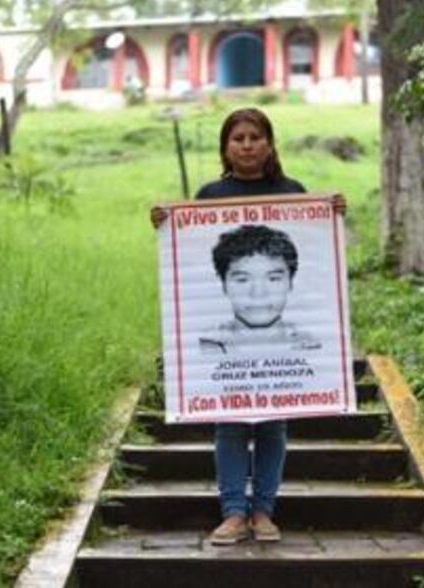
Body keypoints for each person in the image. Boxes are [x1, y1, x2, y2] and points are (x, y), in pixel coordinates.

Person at [150, 107, 345, 546]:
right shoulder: (209, 194)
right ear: (225, 147)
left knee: (273, 425)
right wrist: (165, 224)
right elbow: (188, 249)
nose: (247, 145)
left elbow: (317, 242)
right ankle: (233, 512)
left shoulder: (292, 192)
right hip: (230, 363)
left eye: (255, 137)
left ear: (270, 144)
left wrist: (331, 212)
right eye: (237, 138)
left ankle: (264, 511)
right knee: (230, 425)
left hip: (280, 362)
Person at [199, 224, 320, 355]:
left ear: (290, 282)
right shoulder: (205, 345)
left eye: (273, 279)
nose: (258, 293)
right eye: (242, 280)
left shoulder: (311, 345)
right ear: (224, 285)